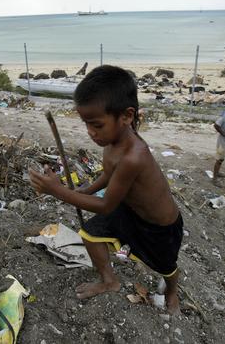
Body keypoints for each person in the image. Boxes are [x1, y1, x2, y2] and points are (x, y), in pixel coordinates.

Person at [29, 65, 184, 315]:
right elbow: (108, 175)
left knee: (166, 266)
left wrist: (58, 191)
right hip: (130, 210)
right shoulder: (112, 141)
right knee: (91, 234)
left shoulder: (134, 156)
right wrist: (85, 190)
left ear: (126, 115)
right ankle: (109, 280)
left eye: (97, 125)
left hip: (160, 225)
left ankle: (172, 291)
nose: (91, 132)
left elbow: (106, 205)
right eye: (86, 124)